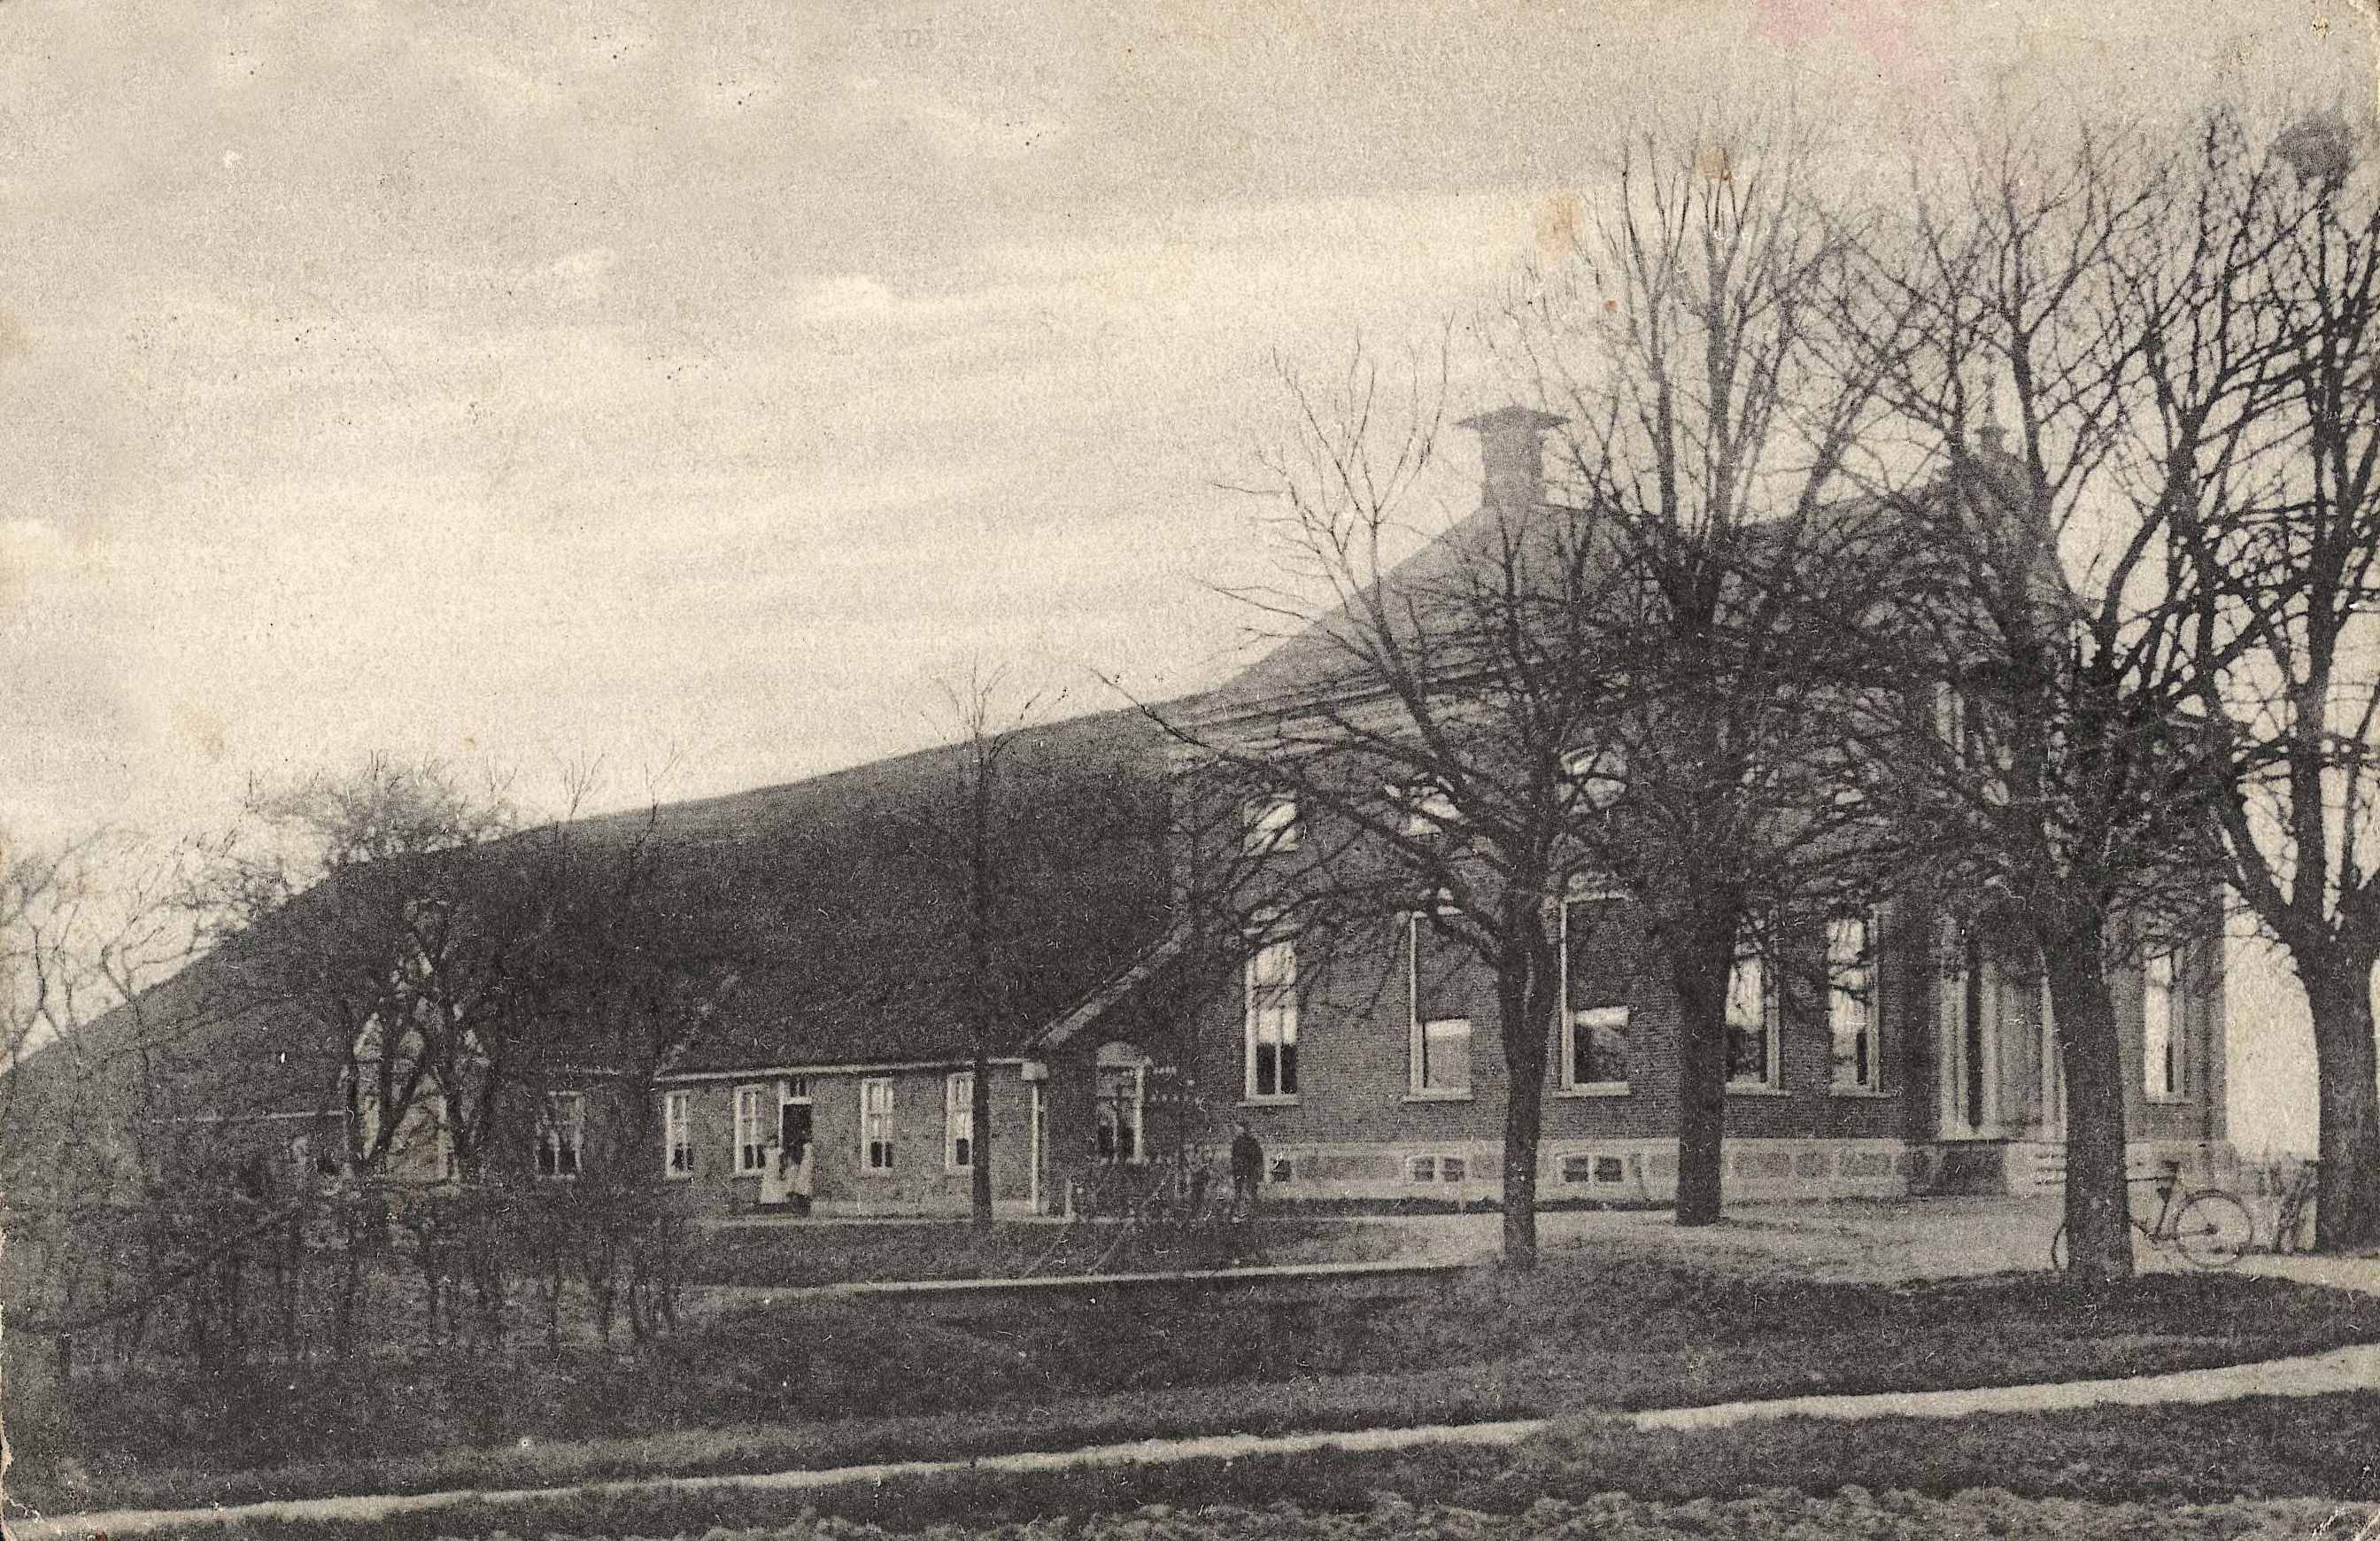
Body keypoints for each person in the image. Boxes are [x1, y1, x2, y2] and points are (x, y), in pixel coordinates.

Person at [1228, 1121, 1264, 1220]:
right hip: (1239, 1172)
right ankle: (1238, 1213)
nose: (1237, 1130)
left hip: (1249, 1171)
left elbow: (1258, 1157)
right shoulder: (1237, 1142)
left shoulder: (1252, 1142)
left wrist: (1256, 1169)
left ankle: (1252, 1212)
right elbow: (1234, 1157)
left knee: (1251, 1192)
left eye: (1239, 1128)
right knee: (1239, 1192)